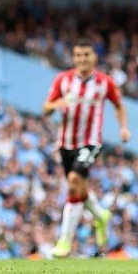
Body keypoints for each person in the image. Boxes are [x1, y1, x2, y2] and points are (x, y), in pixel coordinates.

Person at [43, 38, 131, 258]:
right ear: (74, 58)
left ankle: (64, 242)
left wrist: (123, 128)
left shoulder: (105, 82)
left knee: (74, 183)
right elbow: (45, 109)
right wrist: (56, 105)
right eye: (78, 55)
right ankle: (100, 215)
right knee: (78, 188)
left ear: (94, 57)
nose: (82, 59)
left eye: (86, 55)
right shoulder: (62, 80)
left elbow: (119, 106)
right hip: (65, 144)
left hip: (91, 141)